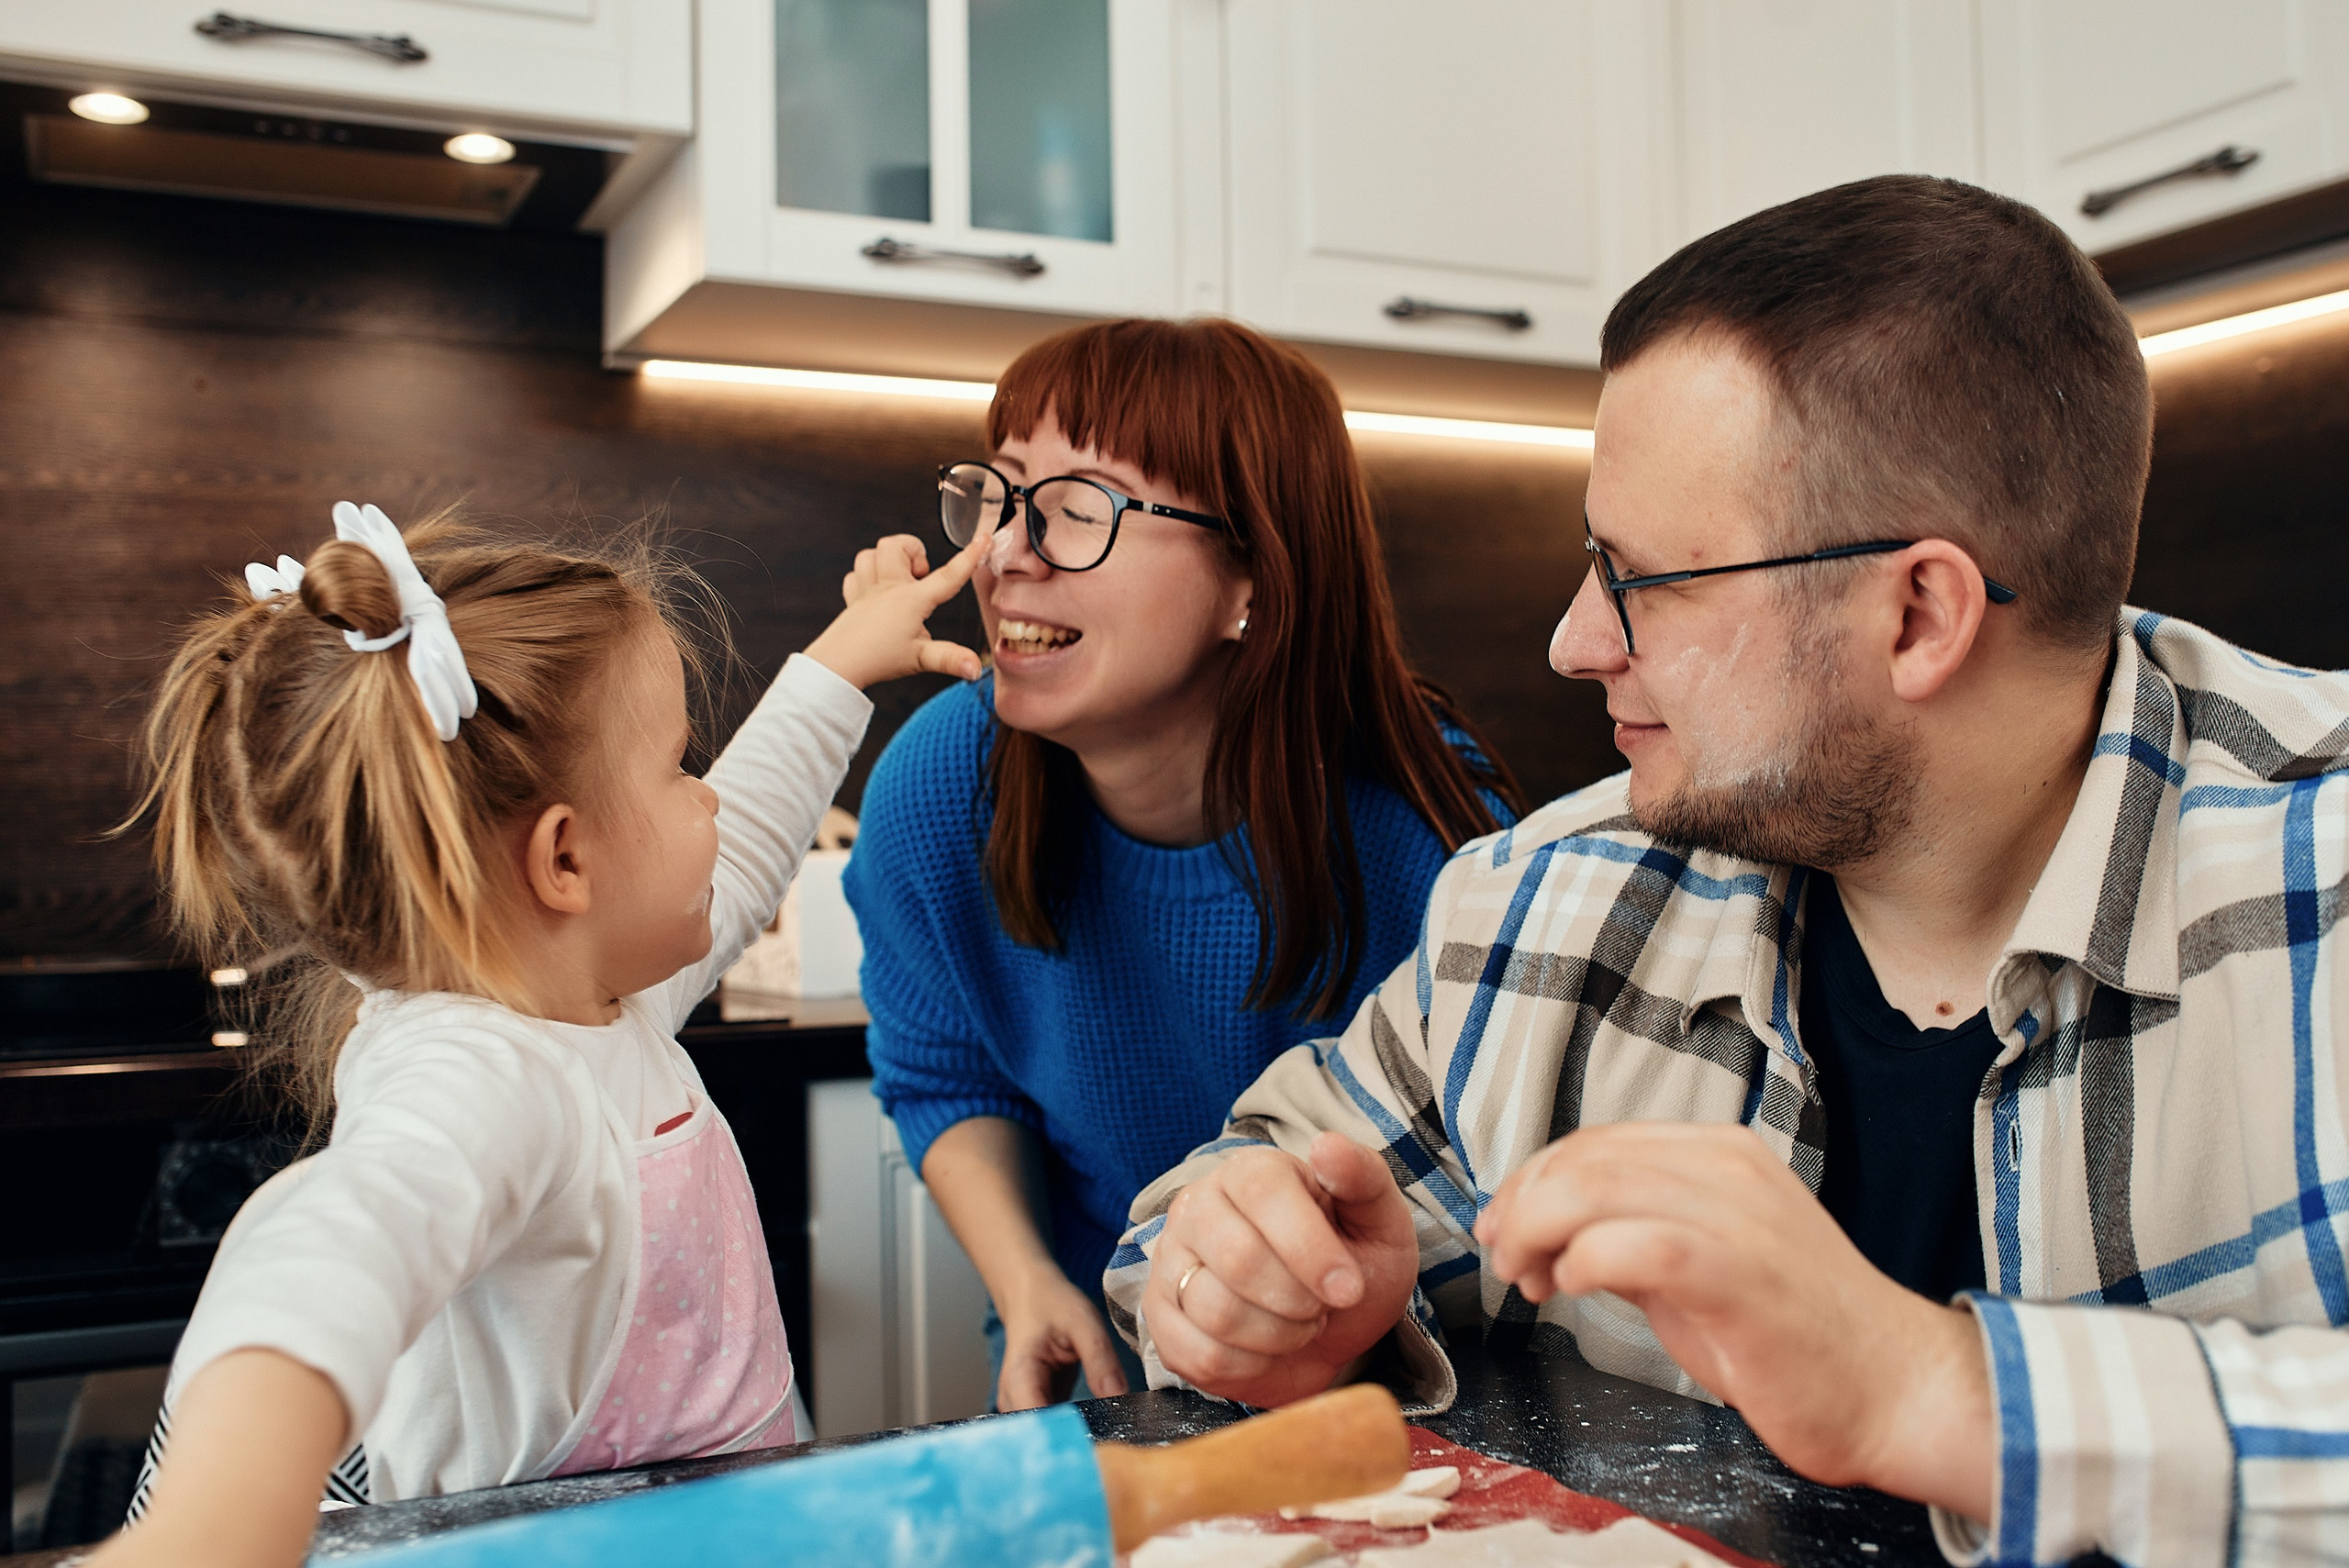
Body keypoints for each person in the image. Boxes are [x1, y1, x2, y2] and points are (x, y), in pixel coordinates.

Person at [1108, 174, 2349, 1568]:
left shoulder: (2322, 882)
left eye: (1642, 578)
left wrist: (1933, 1390)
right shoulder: (1540, 904)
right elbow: (1200, 1219)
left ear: (1918, 613)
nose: (1576, 643)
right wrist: (1265, 1300)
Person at [93, 502, 986, 1568]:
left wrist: (844, 659)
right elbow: (329, 1245)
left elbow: (737, 844)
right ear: (565, 862)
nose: (707, 797)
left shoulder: (599, 993)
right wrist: (213, 1519)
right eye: (676, 764)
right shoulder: (482, 1071)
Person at [843, 317, 1524, 1412]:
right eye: (1002, 497)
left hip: (1376, 1385)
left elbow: (1491, 1206)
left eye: (1075, 510)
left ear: (1249, 571)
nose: (1007, 553)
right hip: (1103, 1372)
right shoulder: (937, 785)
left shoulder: (1431, 837)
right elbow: (948, 1078)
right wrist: (1028, 1287)